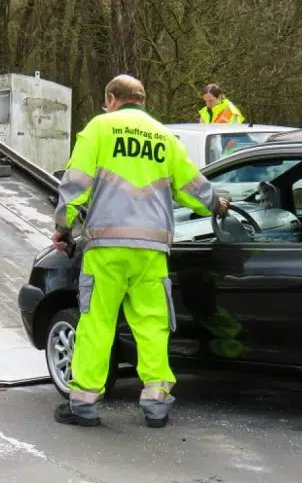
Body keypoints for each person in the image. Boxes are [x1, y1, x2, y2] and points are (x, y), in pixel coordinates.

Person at [51, 74, 229, 428]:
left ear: (112, 99)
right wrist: (217, 204)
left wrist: (62, 226)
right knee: (152, 325)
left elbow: (76, 184)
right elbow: (192, 186)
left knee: (98, 323)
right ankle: (156, 402)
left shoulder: (99, 129)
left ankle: (84, 402)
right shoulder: (165, 137)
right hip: (151, 250)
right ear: (142, 100)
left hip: (107, 247)